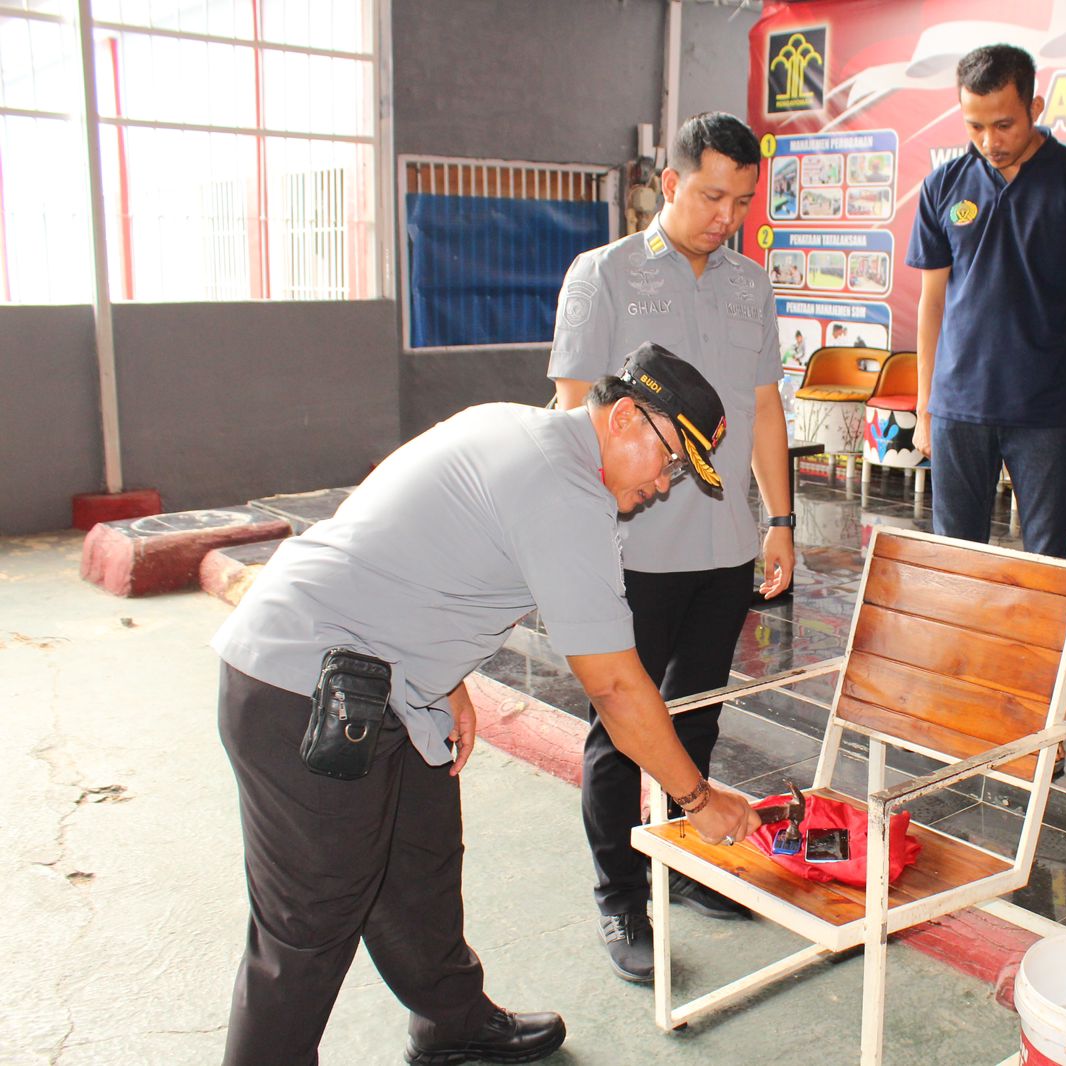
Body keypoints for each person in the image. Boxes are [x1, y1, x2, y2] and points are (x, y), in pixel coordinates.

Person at [212, 344, 762, 1065]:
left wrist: (444, 672)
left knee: (422, 858)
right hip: (301, 685)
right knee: (308, 925)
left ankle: (451, 1021)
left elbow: (402, 530)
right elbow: (618, 688)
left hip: (384, 682)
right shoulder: (564, 492)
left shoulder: (510, 427)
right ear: (625, 416)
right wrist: (697, 798)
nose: (666, 484)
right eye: (671, 459)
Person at [548, 112, 792, 983]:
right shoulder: (603, 274)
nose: (727, 214)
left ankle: (682, 857)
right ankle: (620, 894)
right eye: (712, 195)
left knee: (700, 713)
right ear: (669, 181)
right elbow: (573, 409)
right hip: (634, 549)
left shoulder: (749, 283)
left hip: (724, 548)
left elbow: (765, 405)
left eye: (743, 201)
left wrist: (780, 521)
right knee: (623, 728)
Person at [907, 43, 1066, 558]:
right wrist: (927, 408)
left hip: (1049, 411)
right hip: (959, 408)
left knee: (1047, 559)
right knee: (955, 557)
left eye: (1004, 124)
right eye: (974, 126)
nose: (989, 141)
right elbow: (932, 305)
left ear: (1035, 108)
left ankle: (1038, 645)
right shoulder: (943, 186)